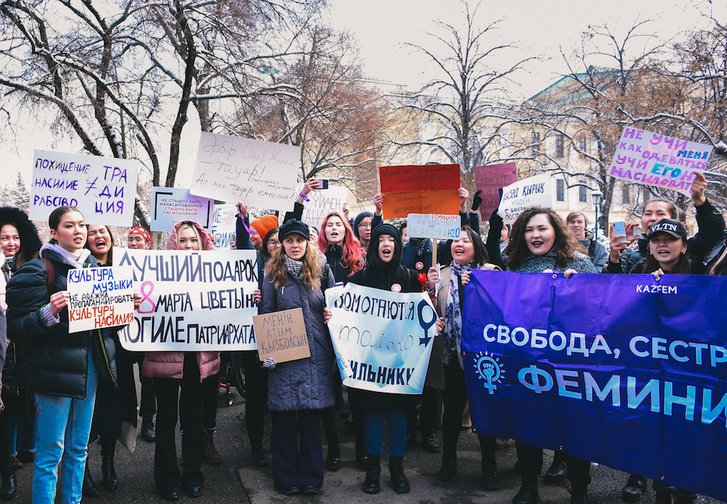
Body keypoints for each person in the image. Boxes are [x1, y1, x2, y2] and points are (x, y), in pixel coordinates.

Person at [5, 206, 130, 504]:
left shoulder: (96, 271)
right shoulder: (36, 271)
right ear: (53, 233)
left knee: (79, 448)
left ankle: (72, 500)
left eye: (82, 225)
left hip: (89, 371)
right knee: (50, 454)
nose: (78, 231)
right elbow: (18, 327)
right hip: (53, 373)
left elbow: (109, 325)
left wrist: (127, 307)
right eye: (69, 225)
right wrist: (49, 312)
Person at [504, 207, 597, 504]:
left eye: (541, 228)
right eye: (529, 230)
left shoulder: (579, 263)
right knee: (528, 427)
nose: (535, 235)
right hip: (528, 362)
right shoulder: (515, 268)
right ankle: (529, 486)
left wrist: (576, 288)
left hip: (569, 365)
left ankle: (579, 490)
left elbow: (598, 308)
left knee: (575, 430)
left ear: (555, 230)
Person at [343, 223, 438, 494]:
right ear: (374, 246)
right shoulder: (359, 279)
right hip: (370, 363)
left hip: (399, 365)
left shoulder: (409, 278)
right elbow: (347, 314)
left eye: (392, 240)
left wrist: (433, 319)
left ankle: (397, 468)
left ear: (397, 246)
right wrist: (333, 316)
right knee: (372, 416)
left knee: (398, 416)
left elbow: (422, 315)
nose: (386, 244)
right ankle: (373, 469)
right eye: (381, 239)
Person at [142, 220, 221, 501]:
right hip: (166, 354)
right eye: (184, 240)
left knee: (193, 417)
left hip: (197, 357)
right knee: (166, 419)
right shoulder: (159, 272)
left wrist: (248, 298)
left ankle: (192, 474)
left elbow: (228, 304)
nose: (189, 245)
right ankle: (166, 478)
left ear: (202, 243)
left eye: (194, 240)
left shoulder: (216, 274)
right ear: (175, 242)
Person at [260, 220, 335, 496]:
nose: (294, 245)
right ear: (282, 244)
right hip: (285, 359)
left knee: (311, 420)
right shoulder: (272, 275)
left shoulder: (323, 272)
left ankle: (312, 476)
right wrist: (268, 353)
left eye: (299, 240)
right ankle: (286, 476)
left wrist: (331, 315)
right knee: (285, 420)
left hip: (316, 357)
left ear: (307, 243)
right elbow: (267, 313)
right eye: (289, 240)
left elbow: (336, 306)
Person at [427, 226, 501, 490]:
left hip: (483, 358)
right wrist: (430, 290)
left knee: (484, 413)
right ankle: (448, 462)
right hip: (451, 356)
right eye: (455, 240)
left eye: (465, 240)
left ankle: (489, 466)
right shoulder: (441, 274)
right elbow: (431, 311)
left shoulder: (490, 272)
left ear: (476, 244)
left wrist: (475, 287)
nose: (458, 244)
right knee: (452, 411)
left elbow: (499, 308)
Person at [83, 225, 138, 494]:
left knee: (112, 412)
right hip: (88, 354)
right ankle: (81, 470)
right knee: (85, 417)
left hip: (120, 354)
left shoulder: (127, 268)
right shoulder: (77, 269)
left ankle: (108, 464)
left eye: (102, 231)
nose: (98, 236)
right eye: (92, 232)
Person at [317, 211, 364, 468]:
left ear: (346, 230)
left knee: (356, 392)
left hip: (352, 334)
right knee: (328, 390)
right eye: (329, 225)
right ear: (323, 232)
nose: (334, 228)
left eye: (339, 224)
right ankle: (333, 448)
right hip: (323, 332)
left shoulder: (357, 260)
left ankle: (361, 450)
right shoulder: (315, 260)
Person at [0, 207, 41, 500]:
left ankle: (24, 449)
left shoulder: (33, 265)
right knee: (4, 413)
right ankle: (6, 473)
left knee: (26, 405)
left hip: (27, 347)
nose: (10, 243)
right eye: (3, 237)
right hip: (2, 350)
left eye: (14, 237)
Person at [126, 226, 157, 444]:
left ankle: (148, 421)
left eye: (138, 239)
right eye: (130, 239)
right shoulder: (120, 265)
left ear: (147, 243)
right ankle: (125, 424)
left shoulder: (158, 267)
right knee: (126, 381)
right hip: (126, 330)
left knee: (149, 379)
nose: (134, 243)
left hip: (149, 331)